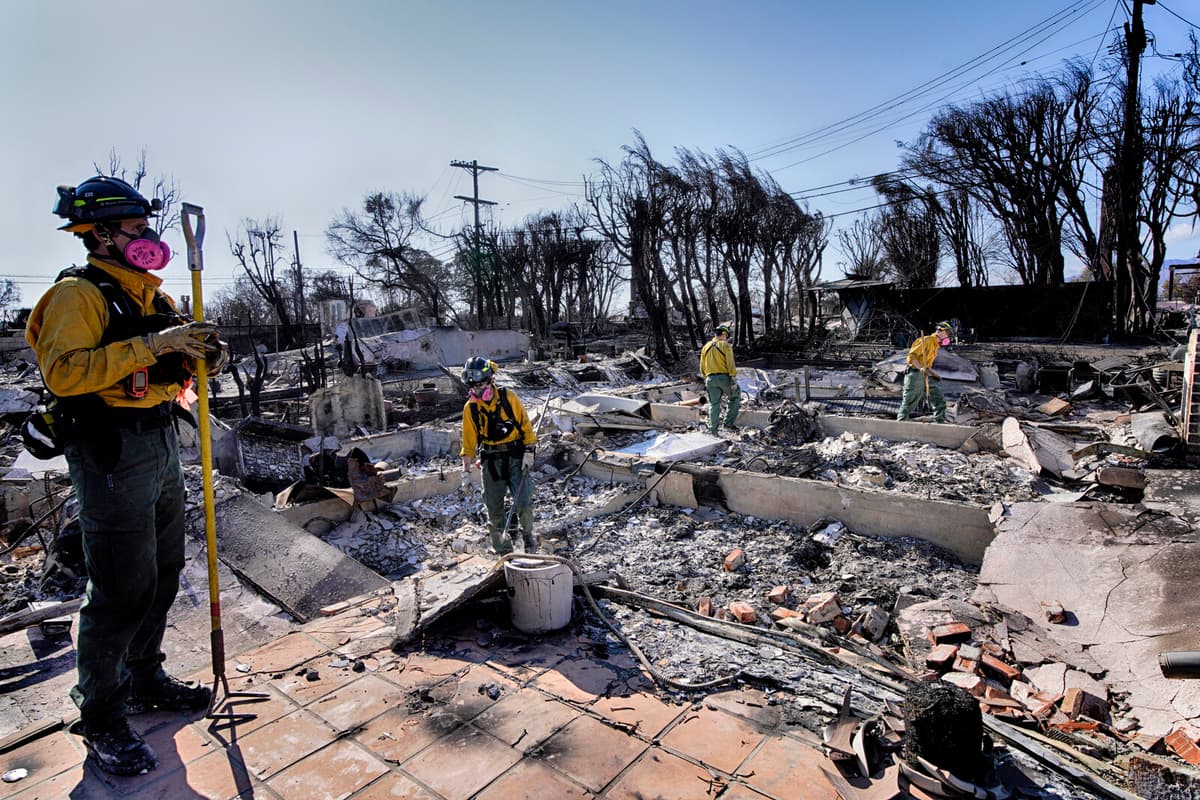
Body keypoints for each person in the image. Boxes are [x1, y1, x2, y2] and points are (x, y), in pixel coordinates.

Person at [26, 176, 228, 777]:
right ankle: (100, 715)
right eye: (136, 230)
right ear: (102, 234)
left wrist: (199, 354)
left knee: (163, 570)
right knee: (119, 586)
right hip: (111, 449)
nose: (148, 239)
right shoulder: (78, 296)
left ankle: (144, 679)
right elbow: (65, 373)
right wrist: (152, 344)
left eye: (147, 229)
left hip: (158, 437)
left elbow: (174, 360)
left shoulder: (150, 295)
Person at [460, 357, 537, 555]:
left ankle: (528, 538)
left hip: (516, 457)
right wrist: (465, 472)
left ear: (490, 381)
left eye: (480, 385)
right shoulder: (471, 408)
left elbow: (526, 427)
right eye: (473, 387)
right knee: (494, 510)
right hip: (491, 461)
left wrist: (529, 452)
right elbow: (468, 445)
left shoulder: (508, 398)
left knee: (524, 503)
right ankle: (504, 552)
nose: (477, 390)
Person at [897, 321, 954, 424]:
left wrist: (934, 374)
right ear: (941, 332)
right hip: (915, 374)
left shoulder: (935, 346)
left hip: (925, 375)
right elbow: (911, 357)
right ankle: (901, 423)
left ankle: (940, 422)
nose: (947, 337)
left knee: (938, 398)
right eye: (947, 334)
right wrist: (920, 368)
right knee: (911, 399)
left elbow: (927, 365)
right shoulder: (926, 340)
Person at [700, 323, 740, 435]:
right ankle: (728, 424)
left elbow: (702, 366)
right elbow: (730, 363)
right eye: (726, 335)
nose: (727, 337)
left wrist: (705, 378)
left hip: (710, 379)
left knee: (714, 404)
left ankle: (713, 429)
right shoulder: (725, 345)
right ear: (723, 334)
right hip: (724, 377)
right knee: (735, 397)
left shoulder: (705, 347)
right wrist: (732, 376)